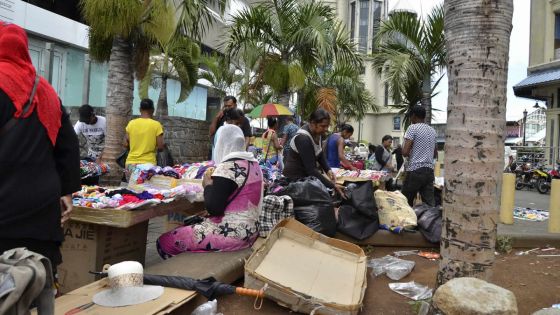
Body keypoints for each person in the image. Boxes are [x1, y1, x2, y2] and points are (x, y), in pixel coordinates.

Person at [0, 22, 80, 274]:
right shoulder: (46, 91)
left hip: (4, 215)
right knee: (34, 287)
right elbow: (68, 147)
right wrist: (67, 192)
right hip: (41, 218)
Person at [157, 124, 263, 257]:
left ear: (221, 143)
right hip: (250, 231)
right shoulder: (253, 164)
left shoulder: (227, 168)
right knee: (187, 227)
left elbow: (214, 208)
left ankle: (183, 273)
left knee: (165, 241)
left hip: (231, 234)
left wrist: (207, 185)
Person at [283, 109, 346, 197]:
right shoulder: (303, 138)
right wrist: (333, 185)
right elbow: (311, 170)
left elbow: (319, 154)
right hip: (294, 180)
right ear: (313, 123)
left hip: (305, 179)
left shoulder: (317, 134)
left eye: (327, 126)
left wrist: (328, 170)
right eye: (323, 126)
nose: (326, 129)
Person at [402, 106, 437, 206]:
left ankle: (408, 221)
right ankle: (431, 220)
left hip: (415, 170)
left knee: (405, 201)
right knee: (430, 203)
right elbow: (434, 153)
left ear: (413, 116)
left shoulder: (412, 128)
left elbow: (405, 152)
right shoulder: (432, 131)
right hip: (429, 171)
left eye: (410, 116)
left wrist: (408, 150)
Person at [124, 98, 165, 177]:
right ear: (153, 110)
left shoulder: (131, 123)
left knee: (131, 188)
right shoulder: (156, 125)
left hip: (131, 164)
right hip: (148, 165)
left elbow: (125, 144)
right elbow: (160, 147)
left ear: (140, 109)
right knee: (146, 189)